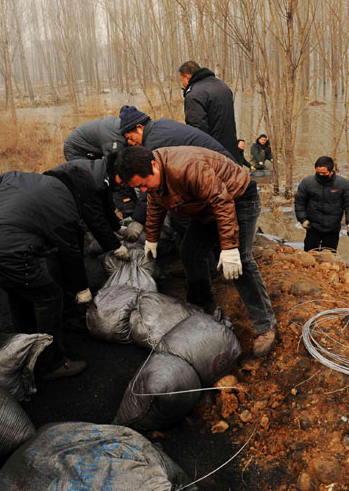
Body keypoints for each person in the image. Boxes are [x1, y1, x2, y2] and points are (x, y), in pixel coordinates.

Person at [0, 161, 129, 380]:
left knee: (19, 291)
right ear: (79, 192)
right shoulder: (65, 204)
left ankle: (25, 345)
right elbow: (69, 252)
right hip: (7, 251)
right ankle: (51, 363)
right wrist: (82, 289)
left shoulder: (15, 176)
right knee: (50, 296)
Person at [116, 146, 277, 358]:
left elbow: (222, 201)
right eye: (139, 187)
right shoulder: (154, 178)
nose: (144, 190)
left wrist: (229, 249)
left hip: (237, 199)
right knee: (191, 251)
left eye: (144, 184)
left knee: (241, 262)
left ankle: (265, 326)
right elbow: (155, 204)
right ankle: (202, 304)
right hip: (207, 208)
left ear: (154, 166)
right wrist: (152, 239)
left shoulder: (186, 167)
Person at [118, 104, 235, 242]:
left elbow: (149, 186)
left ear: (139, 127)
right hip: (219, 169)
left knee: (181, 216)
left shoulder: (155, 143)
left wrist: (138, 220)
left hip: (222, 176)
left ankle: (204, 251)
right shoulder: (161, 125)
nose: (131, 143)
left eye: (130, 138)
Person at [178, 61, 239, 162]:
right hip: (230, 151)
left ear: (187, 76)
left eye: (182, 81)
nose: (183, 85)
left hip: (213, 156)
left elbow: (198, 130)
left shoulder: (194, 94)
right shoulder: (222, 86)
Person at [294, 156, 349, 252]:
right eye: (318, 172)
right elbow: (300, 202)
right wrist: (302, 219)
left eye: (323, 173)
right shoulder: (307, 182)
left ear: (331, 171)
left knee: (328, 257)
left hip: (333, 228)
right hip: (312, 226)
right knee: (310, 255)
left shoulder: (343, 184)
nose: (320, 175)